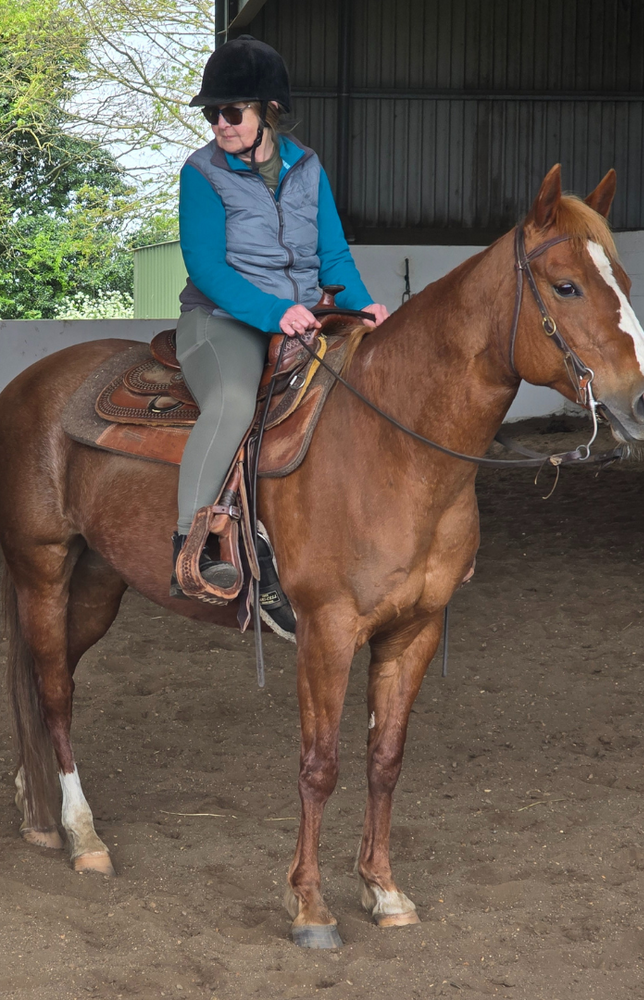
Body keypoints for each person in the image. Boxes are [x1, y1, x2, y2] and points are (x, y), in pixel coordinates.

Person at [172, 36, 390, 632]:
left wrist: (365, 304)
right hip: (221, 321)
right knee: (235, 402)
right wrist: (275, 312)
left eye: (231, 111)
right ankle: (188, 546)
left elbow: (333, 256)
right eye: (210, 113)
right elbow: (207, 267)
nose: (219, 124)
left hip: (307, 316)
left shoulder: (308, 166)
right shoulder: (201, 173)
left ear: (268, 109)